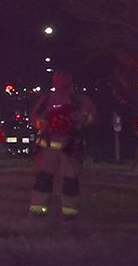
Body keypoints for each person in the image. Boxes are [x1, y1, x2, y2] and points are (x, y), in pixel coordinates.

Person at [29, 69, 96, 218]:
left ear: (69, 82)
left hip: (70, 147)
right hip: (48, 149)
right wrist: (45, 124)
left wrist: (74, 119)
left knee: (70, 181)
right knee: (43, 180)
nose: (60, 84)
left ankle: (70, 213)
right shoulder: (46, 100)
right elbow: (34, 117)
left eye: (63, 80)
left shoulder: (80, 101)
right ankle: (38, 211)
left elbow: (91, 116)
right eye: (57, 80)